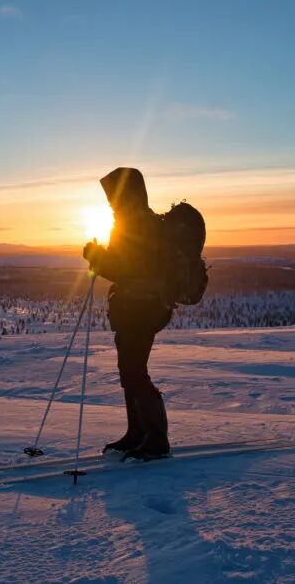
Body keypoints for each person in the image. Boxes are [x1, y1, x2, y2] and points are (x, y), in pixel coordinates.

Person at [83, 167, 174, 460]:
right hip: (136, 307)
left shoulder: (137, 224)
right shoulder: (135, 222)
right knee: (129, 372)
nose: (110, 201)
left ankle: (156, 438)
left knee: (134, 372)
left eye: (113, 195)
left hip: (141, 308)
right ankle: (138, 433)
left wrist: (96, 257)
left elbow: (129, 269)